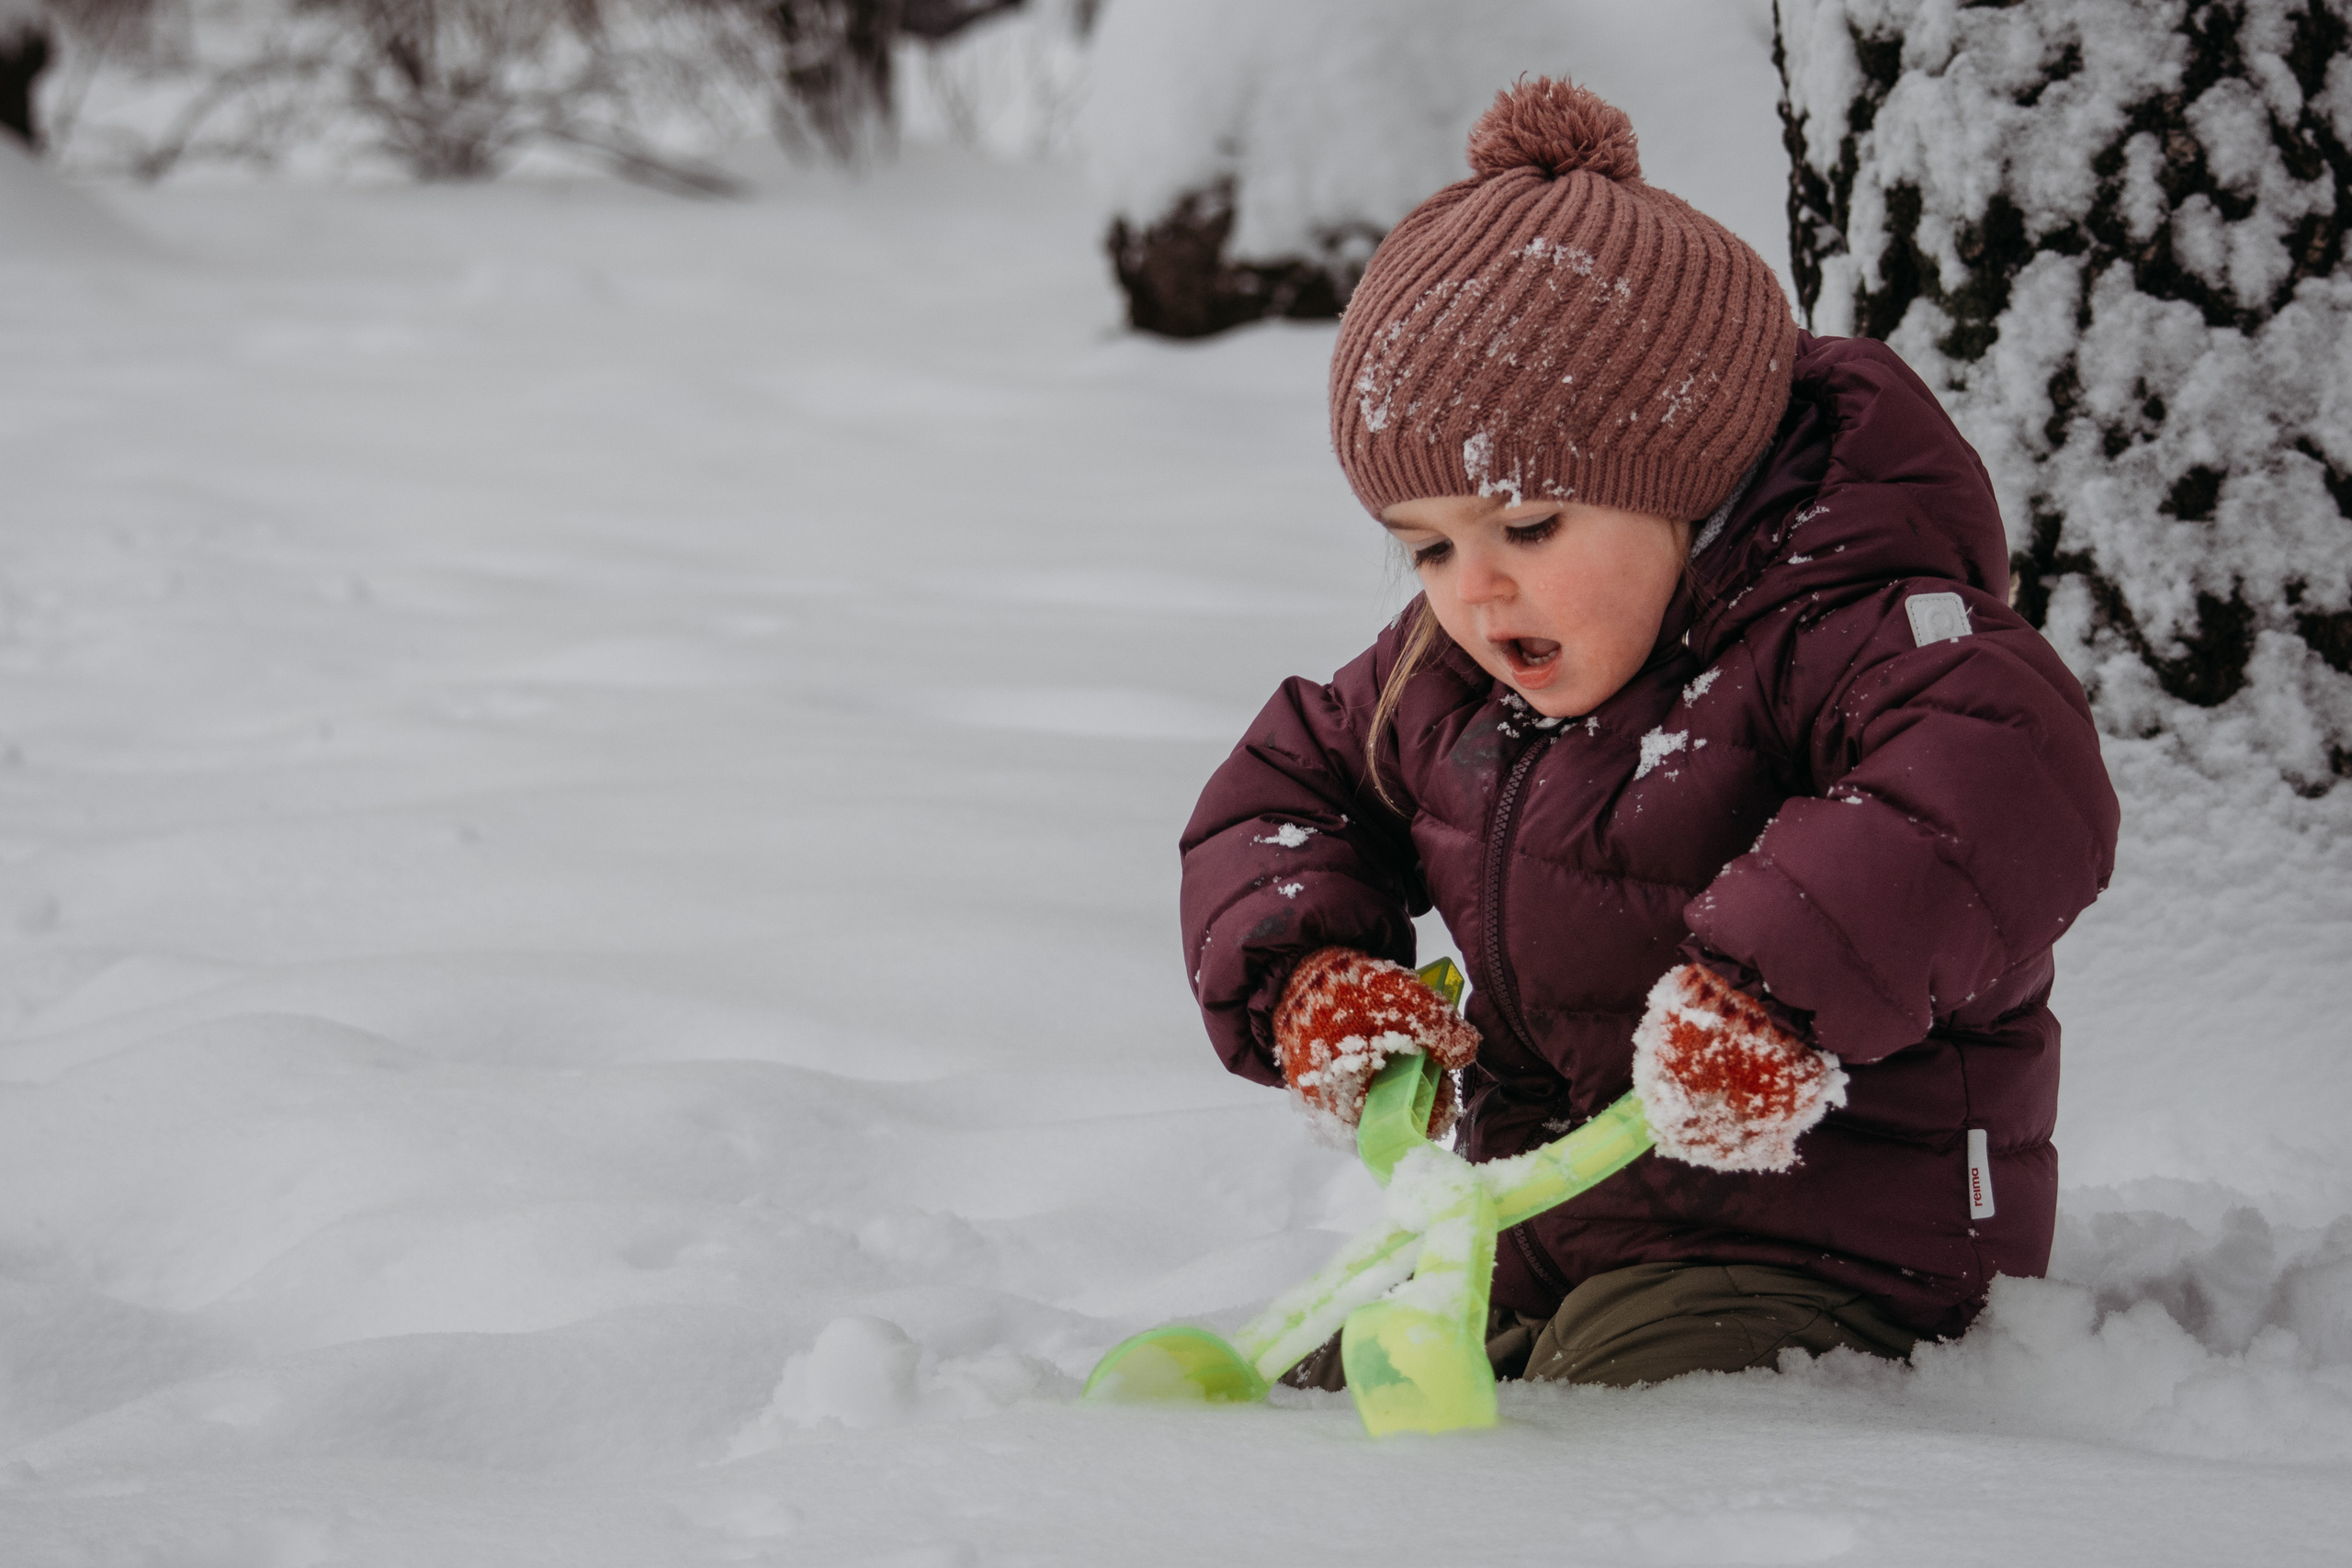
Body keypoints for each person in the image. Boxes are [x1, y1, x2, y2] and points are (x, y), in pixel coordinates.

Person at [1177, 77, 2120, 1389]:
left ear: (1687, 480)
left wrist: (1781, 991)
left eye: (1530, 527)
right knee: (1354, 1395)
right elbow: (1283, 794)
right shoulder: (1447, 670)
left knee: (1606, 1429)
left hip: (1835, 1243)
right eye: (1427, 548)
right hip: (1545, 1221)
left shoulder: (1844, 629)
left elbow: (2004, 776)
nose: (1476, 589)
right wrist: (1314, 970)